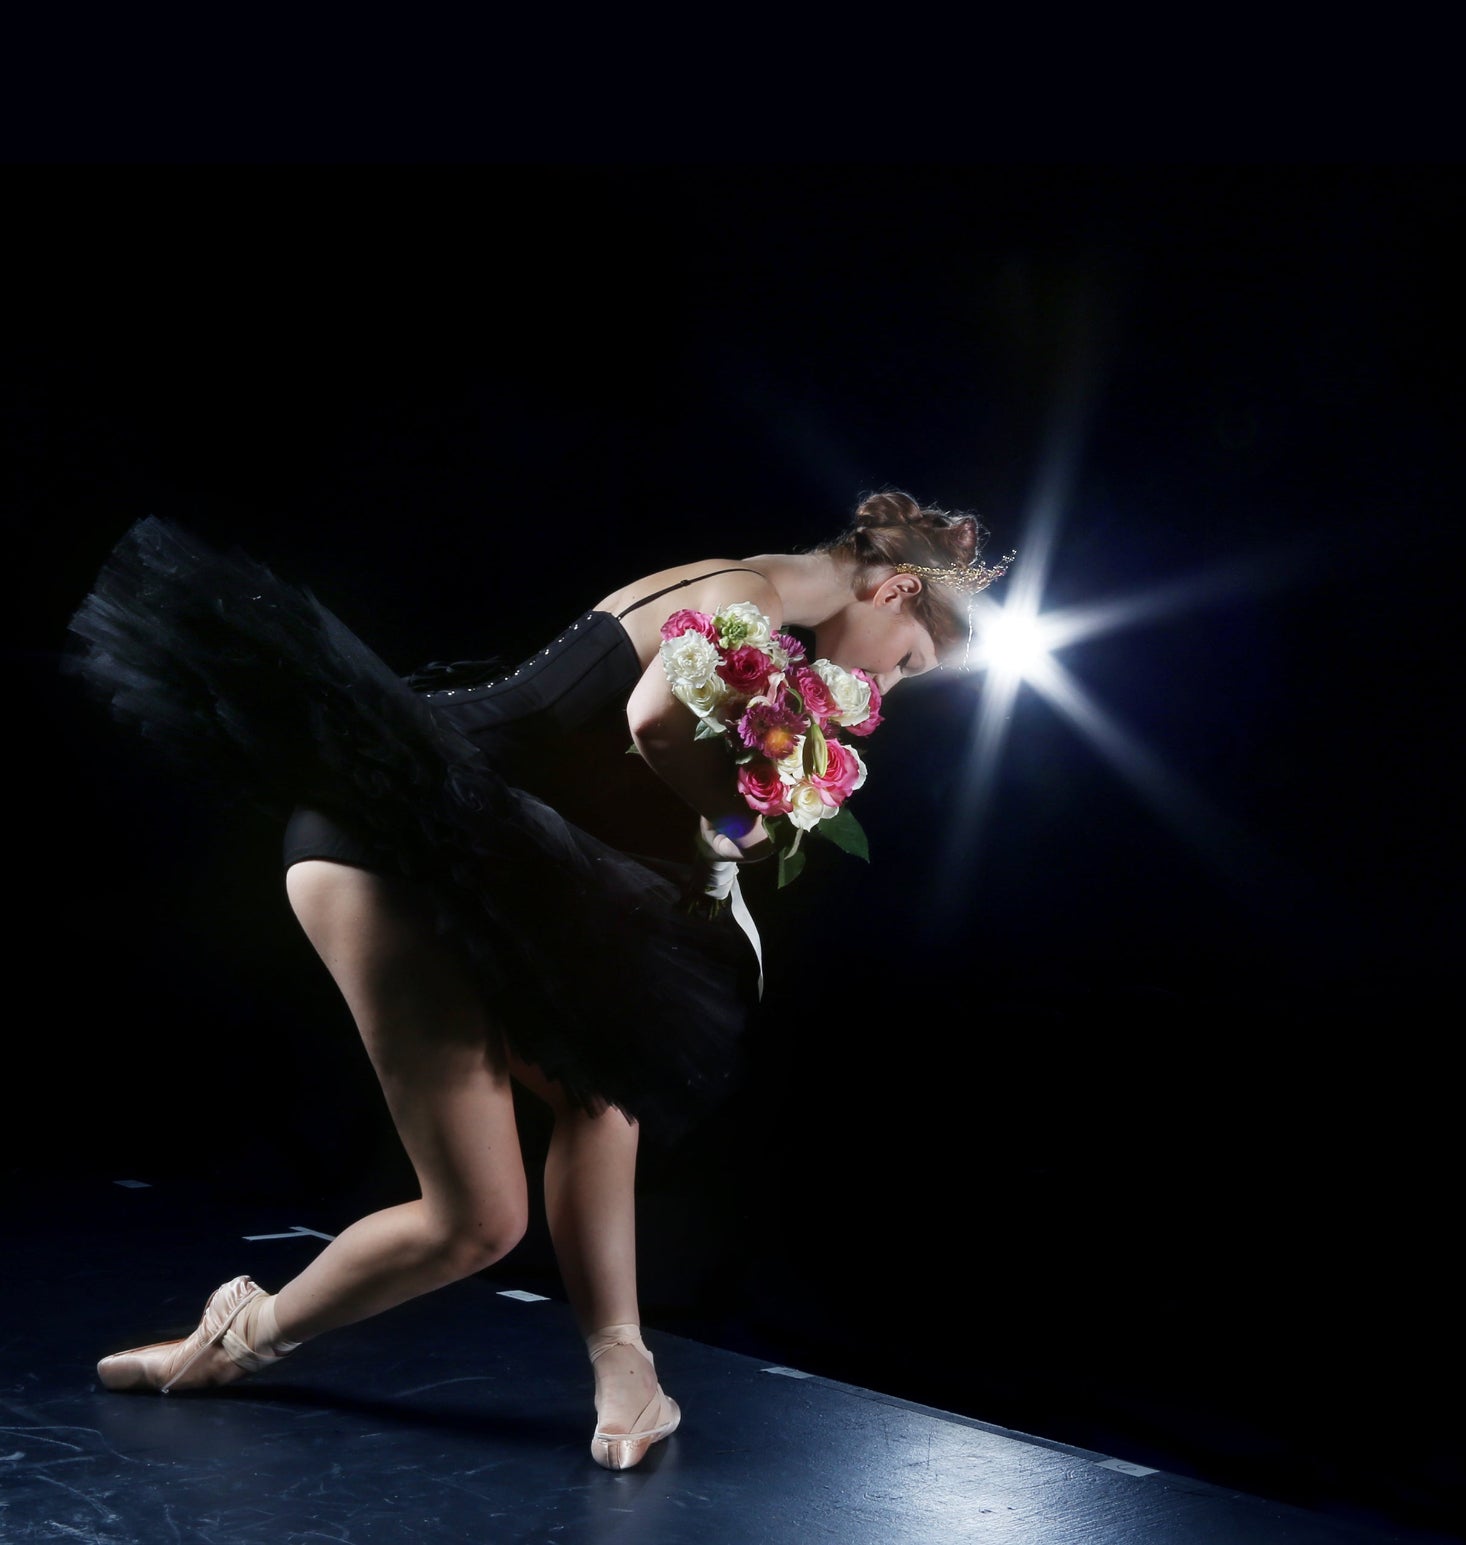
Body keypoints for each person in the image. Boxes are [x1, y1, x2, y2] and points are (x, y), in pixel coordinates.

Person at [68, 489, 1008, 1470]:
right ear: (896, 590)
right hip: (396, 839)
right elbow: (652, 721)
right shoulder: (746, 595)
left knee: (605, 1085)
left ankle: (624, 1373)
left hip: (460, 847)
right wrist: (740, 822)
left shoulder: (742, 595)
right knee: (476, 1219)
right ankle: (233, 1341)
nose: (887, 692)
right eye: (906, 664)